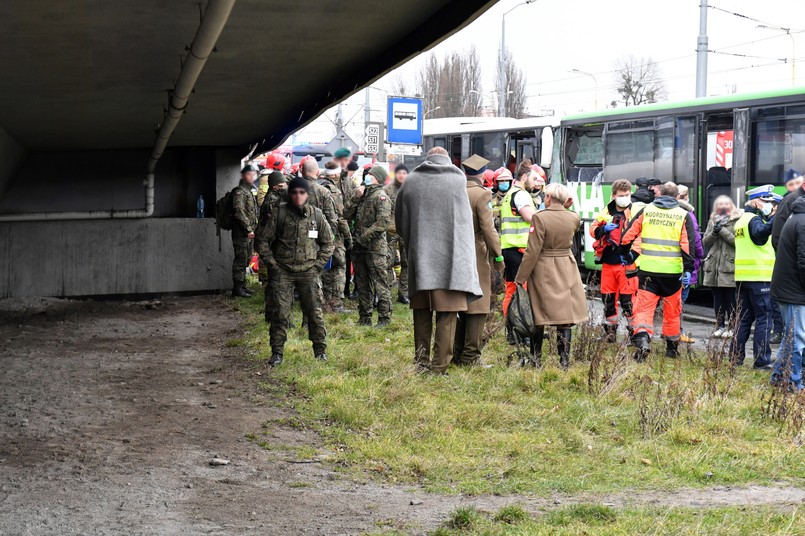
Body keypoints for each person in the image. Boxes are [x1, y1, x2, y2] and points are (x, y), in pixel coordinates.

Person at [395, 147, 482, 375]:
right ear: (446, 158)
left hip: (421, 258)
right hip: (452, 261)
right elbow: (464, 224)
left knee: (422, 314)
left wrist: (414, 244)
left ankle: (421, 364)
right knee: (447, 315)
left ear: (428, 158)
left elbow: (400, 221)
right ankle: (440, 366)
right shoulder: (457, 180)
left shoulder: (412, 180)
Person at [257, 178, 334, 367]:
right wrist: (273, 265)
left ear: (307, 194)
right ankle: (277, 353)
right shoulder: (279, 214)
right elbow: (262, 241)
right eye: (294, 192)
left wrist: (317, 266)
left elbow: (328, 243)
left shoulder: (316, 215)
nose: (298, 196)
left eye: (302, 192)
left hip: (308, 271)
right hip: (283, 271)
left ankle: (320, 351)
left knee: (314, 312)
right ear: (289, 194)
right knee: (280, 313)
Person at [515, 183, 587, 368]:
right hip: (567, 266)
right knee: (565, 317)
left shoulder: (539, 218)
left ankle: (536, 358)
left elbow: (532, 251)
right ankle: (564, 360)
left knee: (539, 315)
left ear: (548, 197)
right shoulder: (574, 217)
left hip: (544, 267)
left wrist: (521, 277)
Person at [621, 182, 696, 361]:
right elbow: (688, 246)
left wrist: (626, 255)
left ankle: (643, 339)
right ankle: (671, 349)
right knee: (672, 311)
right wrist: (688, 269)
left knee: (644, 309)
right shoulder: (683, 215)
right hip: (672, 274)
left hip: (648, 271)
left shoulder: (646, 211)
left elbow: (627, 236)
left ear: (659, 194)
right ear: (677, 197)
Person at [453, 155, 504, 366]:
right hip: (475, 251)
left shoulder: (455, 190)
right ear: (483, 173)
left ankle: (455, 352)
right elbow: (488, 229)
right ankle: (470, 356)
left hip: (455, 251)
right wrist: (498, 256)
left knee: (457, 303)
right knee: (478, 305)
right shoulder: (482, 195)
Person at [730, 185, 778, 369]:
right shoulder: (753, 220)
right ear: (757, 202)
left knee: (743, 320)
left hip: (743, 278)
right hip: (760, 278)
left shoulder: (741, 221)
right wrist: (775, 218)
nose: (770, 205)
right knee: (764, 319)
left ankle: (735, 357)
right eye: (767, 201)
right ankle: (761, 360)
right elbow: (760, 233)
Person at [589, 179, 636, 342]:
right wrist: (603, 229)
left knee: (628, 301)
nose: (625, 197)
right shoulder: (606, 211)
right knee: (608, 299)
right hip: (609, 262)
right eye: (621, 195)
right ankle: (610, 333)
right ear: (614, 196)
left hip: (626, 264)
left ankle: (634, 335)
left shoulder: (634, 210)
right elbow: (593, 229)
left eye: (627, 195)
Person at [500, 160, 539, 341]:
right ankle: (518, 331)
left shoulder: (509, 194)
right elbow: (530, 217)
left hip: (510, 248)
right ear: (524, 177)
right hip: (519, 250)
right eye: (533, 178)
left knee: (511, 289)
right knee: (519, 292)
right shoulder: (521, 195)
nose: (535, 182)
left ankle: (512, 330)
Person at [351, 165, 393, 327]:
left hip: (375, 249)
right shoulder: (363, 195)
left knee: (380, 284)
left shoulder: (381, 197)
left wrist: (363, 238)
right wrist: (356, 197)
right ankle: (365, 316)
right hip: (360, 248)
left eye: (370, 174)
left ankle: (384, 317)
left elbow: (382, 223)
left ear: (378, 178)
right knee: (362, 283)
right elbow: (347, 213)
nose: (367, 176)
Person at [770, 196, 805, 391]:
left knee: (790, 336)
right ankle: (792, 382)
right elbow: (803, 261)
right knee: (797, 339)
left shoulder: (796, 217)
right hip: (794, 291)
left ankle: (778, 377)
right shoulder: (802, 222)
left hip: (787, 289)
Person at [702, 195, 740, 338]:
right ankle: (719, 326)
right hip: (714, 265)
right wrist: (714, 232)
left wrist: (722, 231)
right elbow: (705, 241)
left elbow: (737, 242)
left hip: (728, 265)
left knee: (730, 298)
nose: (722, 206)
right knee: (718, 298)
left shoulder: (737, 221)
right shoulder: (713, 220)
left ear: (731, 205)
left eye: (725, 204)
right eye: (720, 204)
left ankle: (731, 327)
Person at [319, 161, 354, 312]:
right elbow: (339, 217)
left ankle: (324, 301)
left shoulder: (316, 186)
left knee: (324, 267)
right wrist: (348, 237)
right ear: (336, 174)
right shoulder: (333, 190)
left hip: (318, 233)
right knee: (339, 267)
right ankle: (336, 303)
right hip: (334, 235)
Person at [676, 185, 705, 344]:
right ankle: (676, 332)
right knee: (679, 302)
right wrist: (701, 256)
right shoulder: (689, 216)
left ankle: (670, 331)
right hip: (685, 266)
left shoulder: (668, 213)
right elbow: (695, 241)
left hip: (669, 266)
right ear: (686, 197)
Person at [256, 171, 288, 296]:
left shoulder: (275, 196)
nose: (285, 186)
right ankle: (269, 287)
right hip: (269, 238)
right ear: (275, 186)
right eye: (282, 184)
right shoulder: (273, 201)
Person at [231, 163, 260, 298]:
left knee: (247, 258)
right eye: (249, 174)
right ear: (243, 175)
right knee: (240, 260)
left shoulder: (248, 190)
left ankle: (242, 286)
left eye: (253, 174)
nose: (252, 177)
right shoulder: (239, 192)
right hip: (241, 232)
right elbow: (238, 211)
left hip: (248, 233)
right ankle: (237, 288)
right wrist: (248, 228)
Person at [384, 164, 409, 304]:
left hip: (406, 231)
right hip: (391, 230)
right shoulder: (387, 190)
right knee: (388, 261)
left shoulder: (411, 190)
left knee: (406, 262)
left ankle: (403, 293)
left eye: (404, 173)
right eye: (399, 173)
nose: (401, 176)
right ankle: (385, 291)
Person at [771, 168, 804, 250]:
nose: (795, 187)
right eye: (791, 184)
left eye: (798, 183)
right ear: (786, 187)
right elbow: (777, 236)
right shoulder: (788, 201)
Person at [491, 167, 513, 234]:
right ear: (496, 182)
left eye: (507, 181)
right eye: (501, 181)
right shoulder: (490, 198)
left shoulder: (514, 197)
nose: (504, 182)